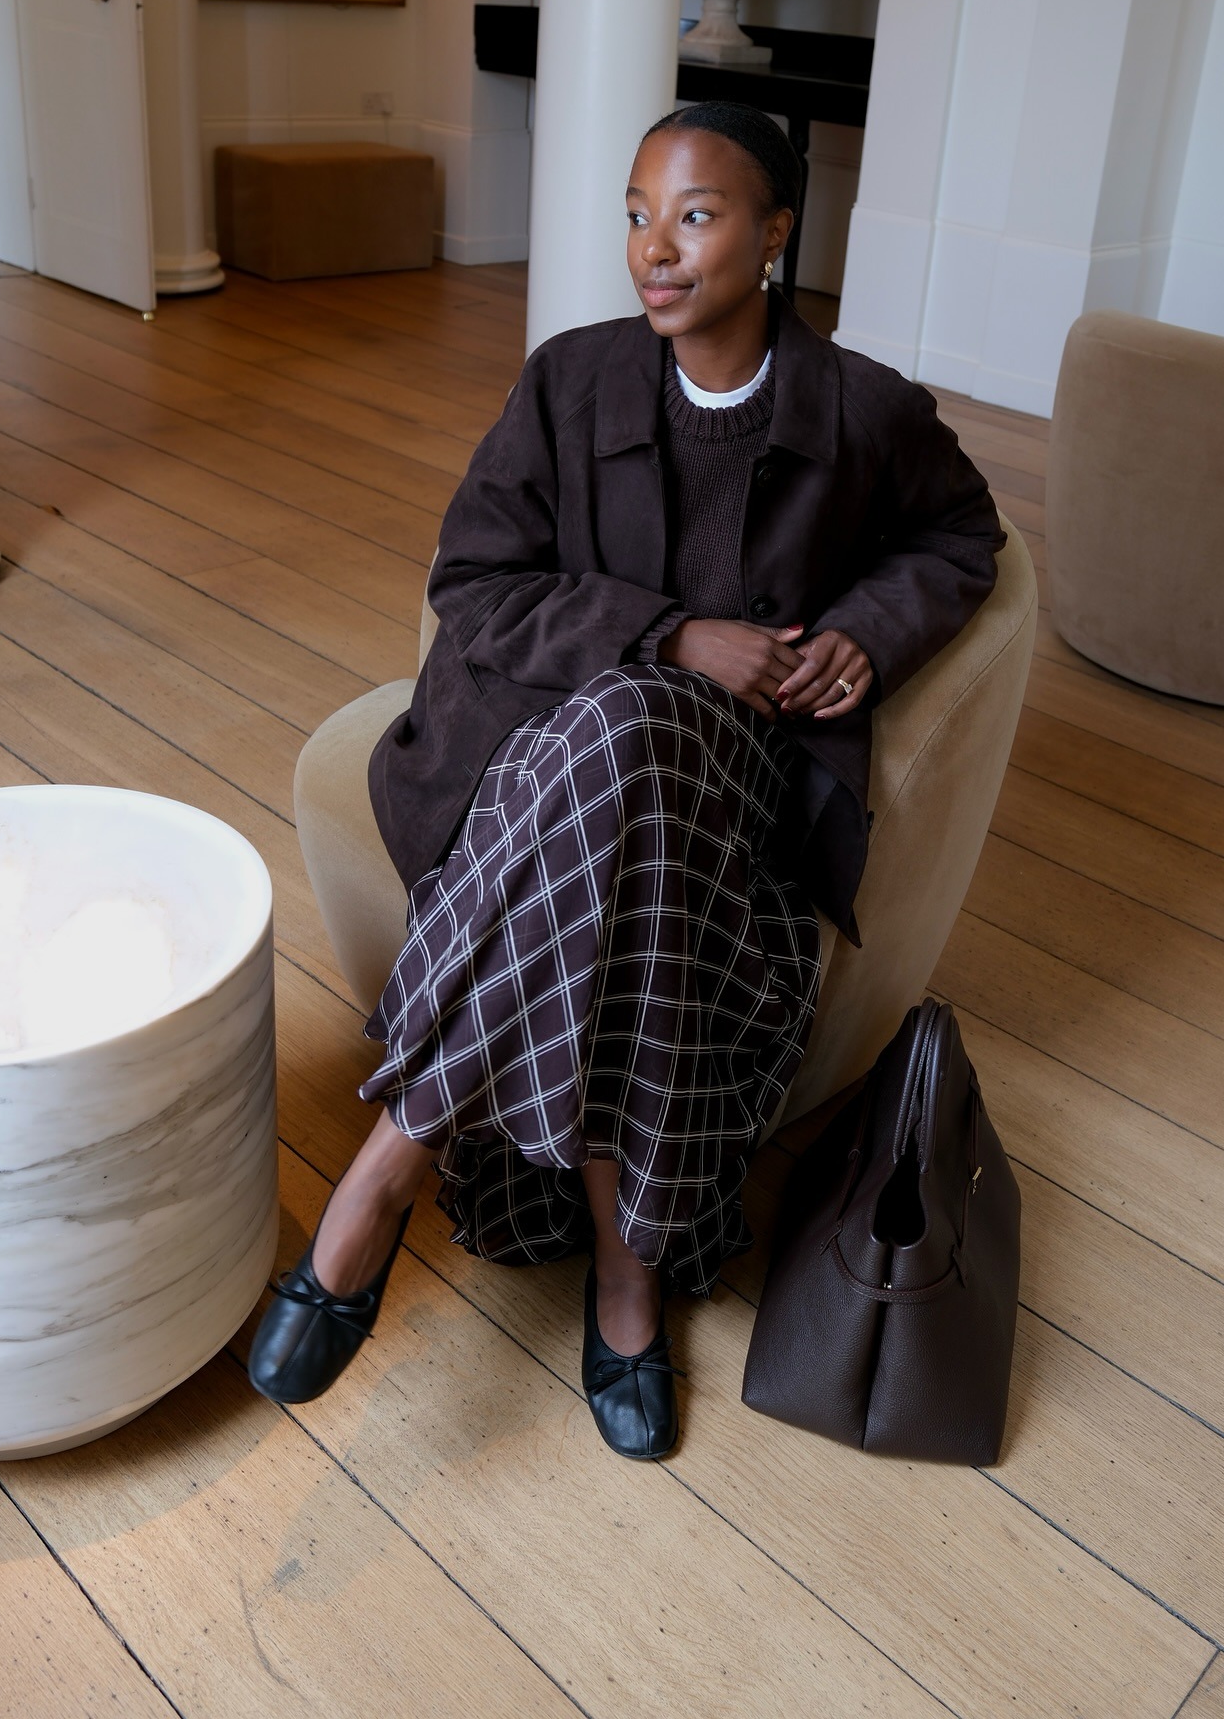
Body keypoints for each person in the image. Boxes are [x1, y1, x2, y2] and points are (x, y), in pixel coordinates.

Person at [248, 102, 1004, 1460]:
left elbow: (964, 536)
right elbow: (472, 582)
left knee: (644, 740)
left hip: (740, 792)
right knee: (623, 738)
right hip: (540, 762)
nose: (656, 250)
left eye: (698, 216)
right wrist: (666, 638)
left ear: (775, 234)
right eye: (637, 214)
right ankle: (628, 1278)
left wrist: (864, 636)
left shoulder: (861, 409)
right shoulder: (569, 380)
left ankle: (385, 1168)